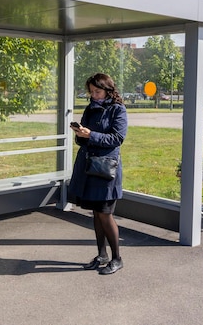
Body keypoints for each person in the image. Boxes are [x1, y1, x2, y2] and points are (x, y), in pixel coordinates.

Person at [68, 73, 128, 275]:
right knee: (96, 213)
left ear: (108, 90)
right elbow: (85, 138)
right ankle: (101, 255)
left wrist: (91, 135)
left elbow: (117, 138)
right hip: (90, 167)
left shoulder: (118, 109)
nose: (93, 95)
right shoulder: (90, 108)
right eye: (91, 92)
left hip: (106, 169)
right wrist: (81, 134)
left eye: (97, 91)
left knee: (105, 213)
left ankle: (117, 258)